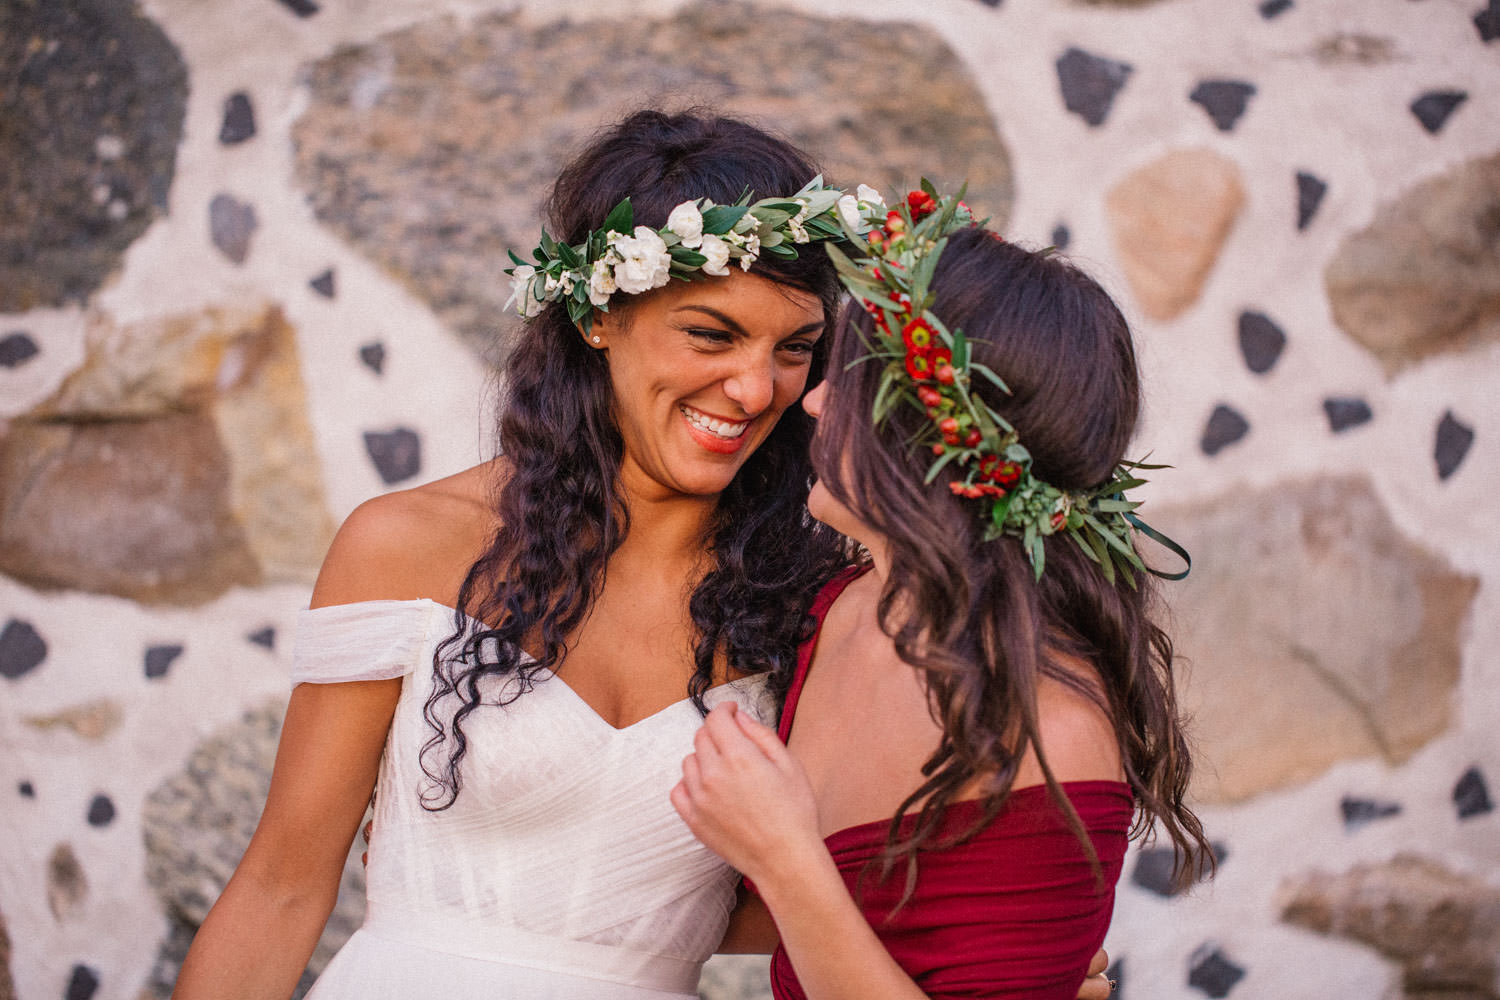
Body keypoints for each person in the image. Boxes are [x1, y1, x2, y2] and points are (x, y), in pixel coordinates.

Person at [171, 109, 854, 1000]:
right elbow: (282, 884)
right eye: (712, 335)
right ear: (600, 316)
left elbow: (827, 883)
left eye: (794, 349)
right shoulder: (408, 547)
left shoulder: (802, 598)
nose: (756, 388)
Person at [671, 188, 1214, 999]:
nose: (812, 400)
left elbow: (809, 888)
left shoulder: (1050, 740)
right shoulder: (839, 608)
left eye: (845, 380)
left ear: (927, 435)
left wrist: (786, 861)